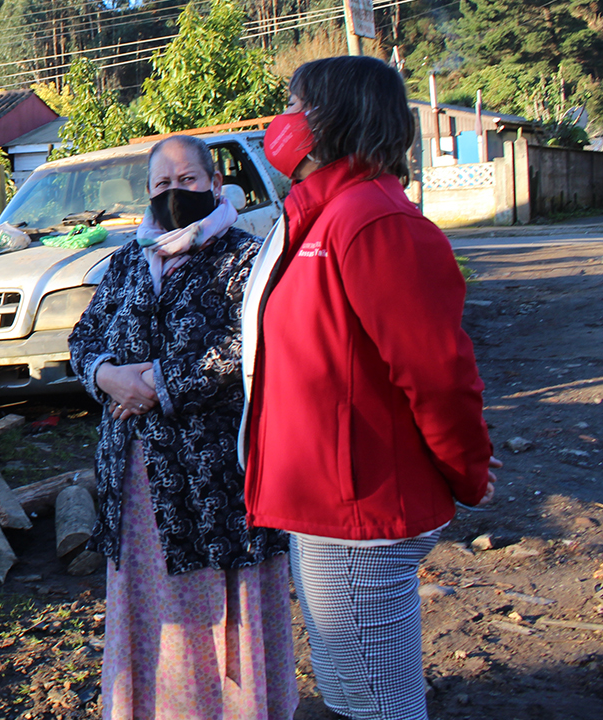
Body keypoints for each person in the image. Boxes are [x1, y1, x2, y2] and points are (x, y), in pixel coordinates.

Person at [240, 56, 497, 720]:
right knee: (351, 690)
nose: (281, 121)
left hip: (361, 512)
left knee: (377, 704)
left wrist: (467, 471)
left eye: (295, 105)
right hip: (325, 503)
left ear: (334, 118)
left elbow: (438, 373)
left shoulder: (373, 221)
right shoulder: (318, 215)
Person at [70, 134, 297, 719]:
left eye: (188, 180)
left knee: (224, 603)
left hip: (218, 474)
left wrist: (157, 385)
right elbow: (84, 337)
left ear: (216, 185)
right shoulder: (126, 261)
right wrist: (107, 376)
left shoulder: (246, 257)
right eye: (163, 184)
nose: (176, 192)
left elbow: (250, 344)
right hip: (137, 475)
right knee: (154, 603)